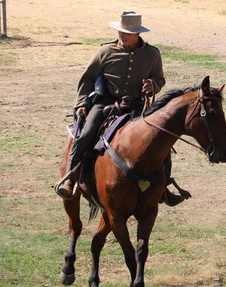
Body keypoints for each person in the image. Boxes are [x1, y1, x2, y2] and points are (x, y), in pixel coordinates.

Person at [57, 11, 167, 198]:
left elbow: (159, 78)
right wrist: (82, 103)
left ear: (137, 34)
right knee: (86, 134)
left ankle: (164, 186)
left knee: (160, 141)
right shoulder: (105, 51)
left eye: (126, 32)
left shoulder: (152, 54)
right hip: (106, 104)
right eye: (120, 31)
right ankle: (71, 177)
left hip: (136, 107)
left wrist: (154, 85)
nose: (122, 35)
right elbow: (88, 78)